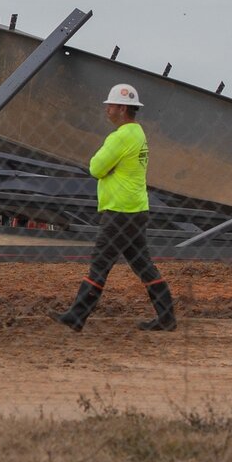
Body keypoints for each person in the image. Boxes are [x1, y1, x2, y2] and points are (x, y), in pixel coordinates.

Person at [53, 83, 176, 332]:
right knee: (143, 265)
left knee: (100, 263)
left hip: (119, 212)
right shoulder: (138, 133)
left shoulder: (120, 137)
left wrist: (107, 168)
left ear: (121, 108)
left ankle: (77, 315)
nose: (106, 109)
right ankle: (167, 316)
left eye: (110, 105)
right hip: (136, 209)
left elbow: (96, 168)